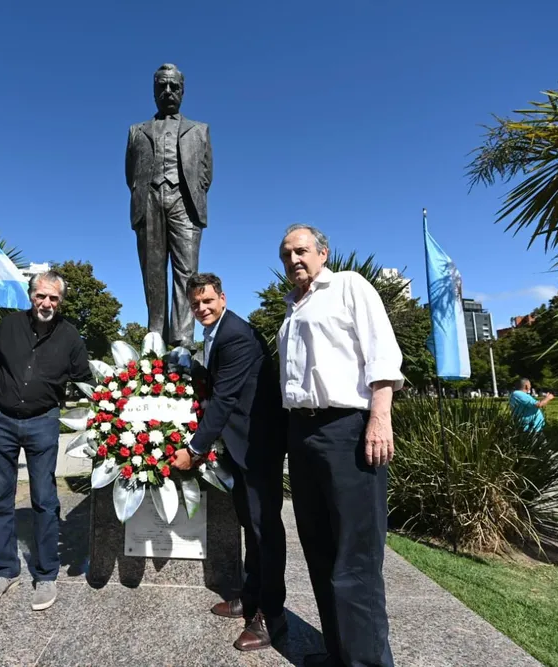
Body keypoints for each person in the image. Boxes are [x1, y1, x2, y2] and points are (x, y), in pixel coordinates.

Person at [277, 224, 403, 667]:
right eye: (286, 254)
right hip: (303, 433)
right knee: (320, 548)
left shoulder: (349, 286)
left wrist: (379, 419)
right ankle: (340, 652)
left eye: (301, 250)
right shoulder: (291, 309)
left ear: (323, 252)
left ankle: (367, 662)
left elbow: (382, 354)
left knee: (356, 555)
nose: (294, 259)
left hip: (347, 428)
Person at [173, 273, 287, 652]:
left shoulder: (235, 333)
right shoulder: (216, 332)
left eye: (208, 301)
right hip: (241, 446)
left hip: (259, 446)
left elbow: (224, 399)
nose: (202, 308)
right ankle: (251, 597)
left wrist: (195, 448)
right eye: (196, 305)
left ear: (222, 297)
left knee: (264, 530)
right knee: (249, 525)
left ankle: (273, 616)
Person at [0, 270, 91, 612]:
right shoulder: (8, 326)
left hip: (43, 422)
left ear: (61, 302)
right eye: (41, 295)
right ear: (31, 295)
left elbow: (86, 380)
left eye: (54, 298)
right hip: (3, 421)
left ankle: (45, 574)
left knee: (44, 498)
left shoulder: (71, 337)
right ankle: (4, 570)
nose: (47, 303)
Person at [125, 63, 213, 347]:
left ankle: (183, 340)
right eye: (162, 85)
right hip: (148, 200)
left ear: (183, 91)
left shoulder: (199, 130)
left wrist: (185, 193)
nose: (168, 91)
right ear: (153, 91)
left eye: (174, 86)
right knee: (152, 271)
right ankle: (155, 337)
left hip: (184, 202)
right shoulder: (137, 131)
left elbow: (205, 174)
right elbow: (131, 173)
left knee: (186, 271)